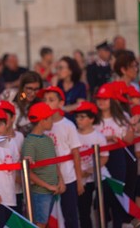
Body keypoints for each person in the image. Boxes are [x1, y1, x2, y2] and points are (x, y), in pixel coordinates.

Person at [38, 86, 84, 228]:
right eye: (45, 100)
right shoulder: (42, 126)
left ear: (61, 103)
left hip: (69, 177)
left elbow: (76, 153)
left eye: (51, 100)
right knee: (47, 217)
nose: (47, 103)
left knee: (70, 215)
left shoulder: (68, 125)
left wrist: (79, 180)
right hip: (48, 180)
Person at [94, 83, 134, 228]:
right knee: (102, 196)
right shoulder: (93, 119)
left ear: (112, 100)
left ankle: (117, 224)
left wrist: (131, 126)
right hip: (99, 159)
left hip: (117, 157)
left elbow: (129, 140)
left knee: (118, 194)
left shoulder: (122, 117)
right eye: (99, 98)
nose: (101, 102)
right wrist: (106, 138)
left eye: (105, 98)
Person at [22, 102, 65, 228]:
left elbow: (54, 162)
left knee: (46, 222)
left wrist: (60, 181)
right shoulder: (29, 143)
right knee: (40, 223)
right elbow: (28, 173)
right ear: (42, 121)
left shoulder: (48, 139)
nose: (52, 121)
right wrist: (48, 186)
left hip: (52, 190)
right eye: (50, 118)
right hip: (40, 193)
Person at [72, 101, 109, 228]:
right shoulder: (73, 135)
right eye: (77, 117)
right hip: (80, 180)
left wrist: (89, 170)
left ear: (92, 119)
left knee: (101, 207)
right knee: (83, 210)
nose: (78, 120)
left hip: (97, 177)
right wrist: (79, 175)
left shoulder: (98, 136)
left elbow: (104, 157)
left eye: (82, 117)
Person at [0, 100, 24, 215]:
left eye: (5, 114)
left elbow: (20, 162)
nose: (1, 117)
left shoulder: (20, 137)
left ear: (13, 117)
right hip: (0, 192)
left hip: (17, 190)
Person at [56, 56, 87, 122]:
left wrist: (63, 108)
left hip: (75, 121)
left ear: (70, 71)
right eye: (57, 68)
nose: (58, 71)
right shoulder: (58, 85)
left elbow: (80, 104)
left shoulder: (80, 86)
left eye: (61, 68)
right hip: (58, 121)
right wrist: (53, 86)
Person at [14, 71, 43, 136]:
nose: (33, 93)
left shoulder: (41, 104)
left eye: (36, 89)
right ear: (22, 87)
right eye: (29, 88)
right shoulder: (10, 97)